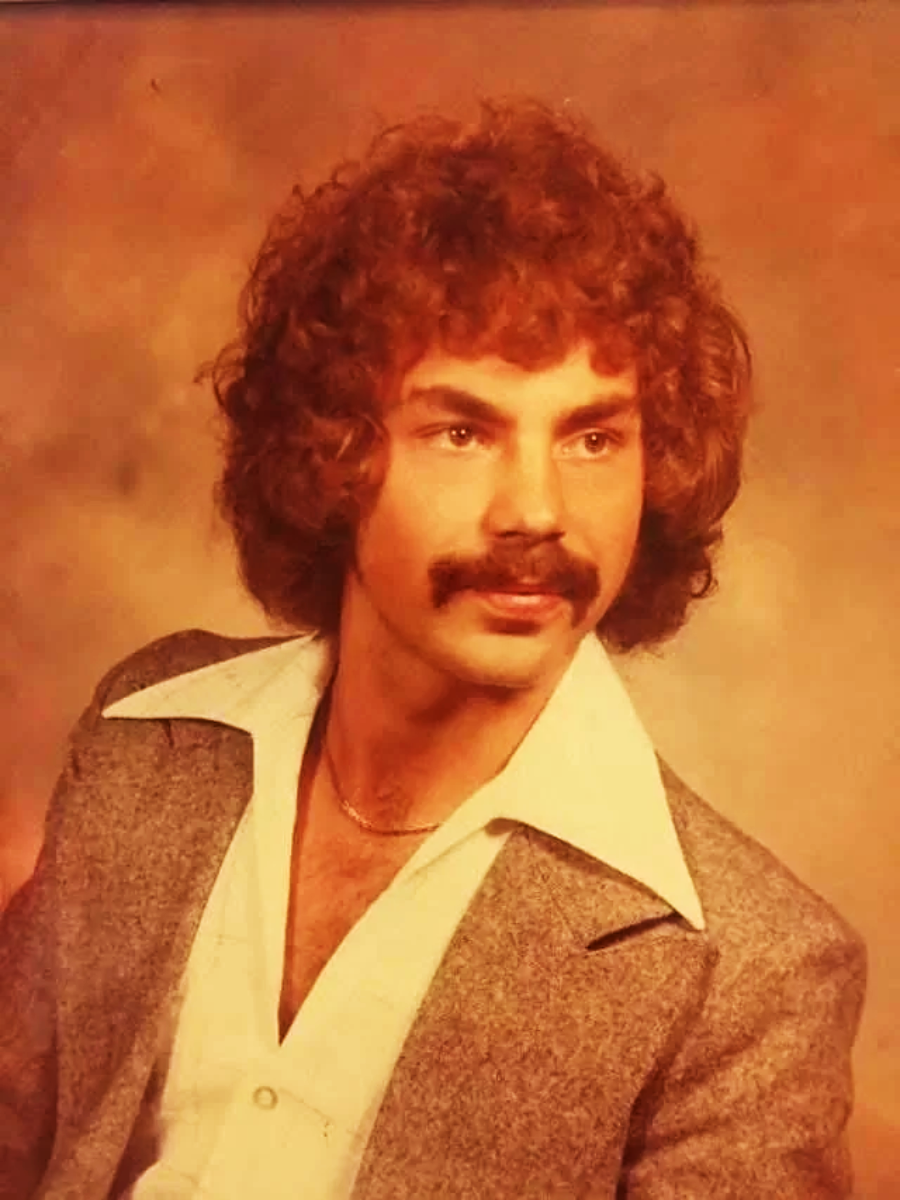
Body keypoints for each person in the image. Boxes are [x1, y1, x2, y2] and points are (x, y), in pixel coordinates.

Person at [0, 99, 865, 1199]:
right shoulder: (144, 738)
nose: (536, 513)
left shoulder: (750, 978)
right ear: (333, 455)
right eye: (463, 431)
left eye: (594, 437)